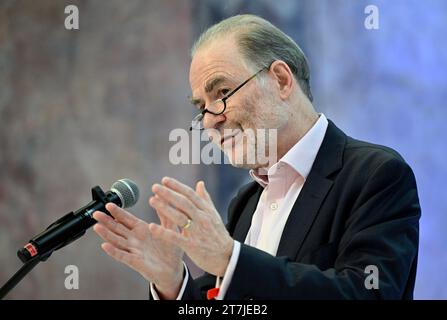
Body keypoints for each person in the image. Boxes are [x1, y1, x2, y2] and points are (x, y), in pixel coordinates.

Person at [92, 14, 421, 300]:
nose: (210, 119)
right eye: (200, 107)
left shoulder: (377, 175)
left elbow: (367, 294)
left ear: (280, 79)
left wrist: (231, 259)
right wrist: (172, 283)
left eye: (222, 93)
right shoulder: (247, 201)